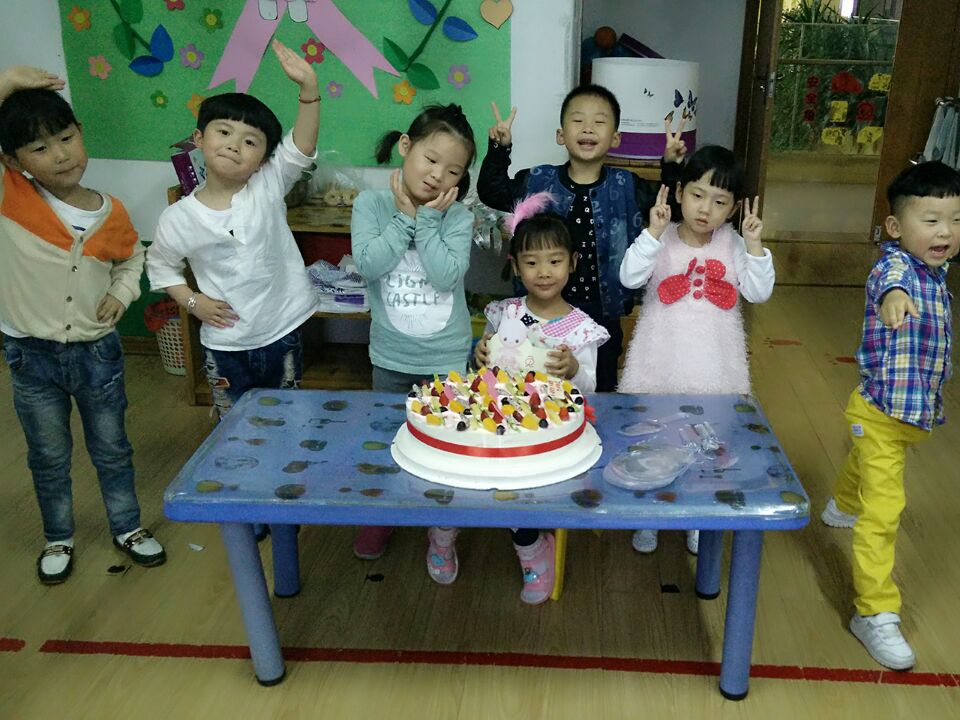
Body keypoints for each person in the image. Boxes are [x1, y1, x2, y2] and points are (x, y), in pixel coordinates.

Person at [0, 66, 165, 583]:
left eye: (67, 138)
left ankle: (127, 526)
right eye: (40, 148)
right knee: (48, 455)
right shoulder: (11, 198)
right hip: (31, 356)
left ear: (81, 134)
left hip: (97, 353)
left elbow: (131, 258)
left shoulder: (110, 211)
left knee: (112, 448)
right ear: (13, 161)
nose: (61, 155)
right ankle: (58, 536)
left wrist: (121, 292)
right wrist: (6, 84)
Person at [821, 161, 960, 671]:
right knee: (883, 512)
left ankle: (840, 503)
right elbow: (889, 283)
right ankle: (874, 612)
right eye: (932, 220)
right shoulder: (895, 269)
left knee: (865, 461)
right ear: (896, 228)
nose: (945, 232)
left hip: (902, 414)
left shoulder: (937, 271)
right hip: (882, 413)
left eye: (956, 220)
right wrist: (894, 299)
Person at [146, 40, 320, 420]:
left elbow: (302, 146)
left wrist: (309, 90)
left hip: (282, 329)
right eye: (223, 132)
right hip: (225, 343)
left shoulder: (267, 185)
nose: (234, 145)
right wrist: (194, 302)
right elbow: (160, 267)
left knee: (289, 417)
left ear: (263, 159)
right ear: (199, 139)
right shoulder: (179, 218)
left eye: (250, 141)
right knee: (233, 426)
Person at [476, 84, 686, 392]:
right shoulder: (537, 179)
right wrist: (499, 148)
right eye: (578, 120)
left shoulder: (627, 185)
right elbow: (492, 191)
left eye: (599, 121)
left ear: (615, 138)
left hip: (603, 312)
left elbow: (675, 208)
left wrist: (671, 166)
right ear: (561, 135)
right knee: (533, 386)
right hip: (540, 312)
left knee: (600, 389)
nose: (588, 128)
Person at [618, 145, 774, 556]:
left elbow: (758, 292)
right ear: (679, 192)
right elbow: (630, 277)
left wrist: (755, 245)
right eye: (698, 195)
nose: (706, 209)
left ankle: (698, 516)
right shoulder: (661, 238)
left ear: (734, 208)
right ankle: (650, 513)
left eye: (720, 202)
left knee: (710, 439)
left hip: (714, 362)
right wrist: (651, 234)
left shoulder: (734, 244)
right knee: (654, 435)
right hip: (661, 355)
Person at [461, 200, 609, 603]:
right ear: (515, 266)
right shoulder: (505, 313)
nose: (544, 272)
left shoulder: (580, 328)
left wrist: (574, 368)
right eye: (531, 262)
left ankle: (530, 547)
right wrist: (479, 356)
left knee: (522, 483)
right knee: (471, 470)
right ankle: (444, 530)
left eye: (555, 261)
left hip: (550, 432)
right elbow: (484, 370)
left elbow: (591, 388)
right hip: (501, 421)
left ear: (572, 263)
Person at [350, 104, 477, 562]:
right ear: (406, 146)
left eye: (453, 171)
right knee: (386, 439)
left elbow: (445, 276)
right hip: (391, 356)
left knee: (446, 446)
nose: (438, 175)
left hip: (445, 358)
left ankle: (441, 530)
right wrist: (404, 218)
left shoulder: (457, 217)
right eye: (431, 159)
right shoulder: (371, 204)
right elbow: (368, 264)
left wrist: (425, 221)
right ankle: (381, 515)